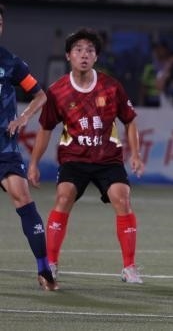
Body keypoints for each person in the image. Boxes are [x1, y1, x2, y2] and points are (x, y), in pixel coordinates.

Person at [27, 28, 145, 284]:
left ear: (96, 57)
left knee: (122, 198)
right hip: (74, 159)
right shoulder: (57, 91)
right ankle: (51, 264)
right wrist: (34, 163)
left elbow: (130, 120)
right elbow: (45, 129)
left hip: (108, 159)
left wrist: (135, 155)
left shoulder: (111, 87)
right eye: (78, 50)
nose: (84, 55)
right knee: (64, 196)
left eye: (90, 51)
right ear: (68, 56)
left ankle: (130, 268)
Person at [0, 5, 56, 291]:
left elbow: (40, 95)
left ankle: (44, 270)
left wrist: (23, 117)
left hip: (4, 149)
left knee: (23, 199)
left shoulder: (11, 62)